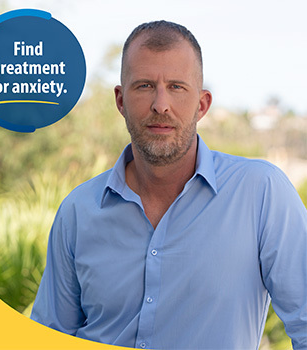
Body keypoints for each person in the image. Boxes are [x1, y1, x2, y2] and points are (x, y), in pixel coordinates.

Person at [31, 20, 307, 349]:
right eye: (145, 85)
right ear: (120, 100)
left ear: (202, 104)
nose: (160, 104)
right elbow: (47, 339)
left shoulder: (261, 193)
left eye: (176, 87)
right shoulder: (78, 211)